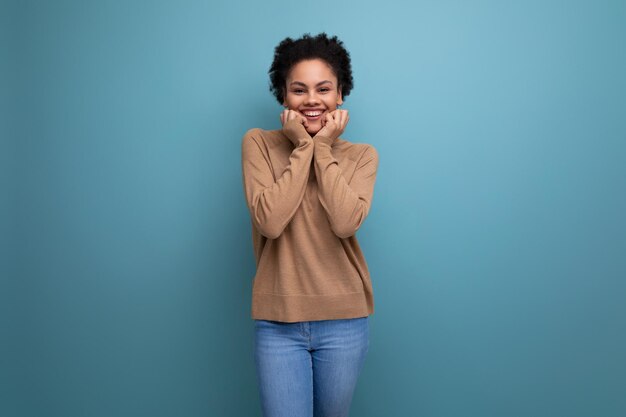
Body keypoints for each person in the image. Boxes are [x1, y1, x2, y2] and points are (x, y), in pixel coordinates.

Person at [240, 32, 380, 417]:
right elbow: (269, 221)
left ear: (340, 95)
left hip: (345, 321)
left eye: (323, 89)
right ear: (283, 96)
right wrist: (304, 147)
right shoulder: (259, 145)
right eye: (299, 90)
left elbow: (344, 221)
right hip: (278, 323)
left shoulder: (362, 155)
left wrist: (322, 147)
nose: (312, 100)